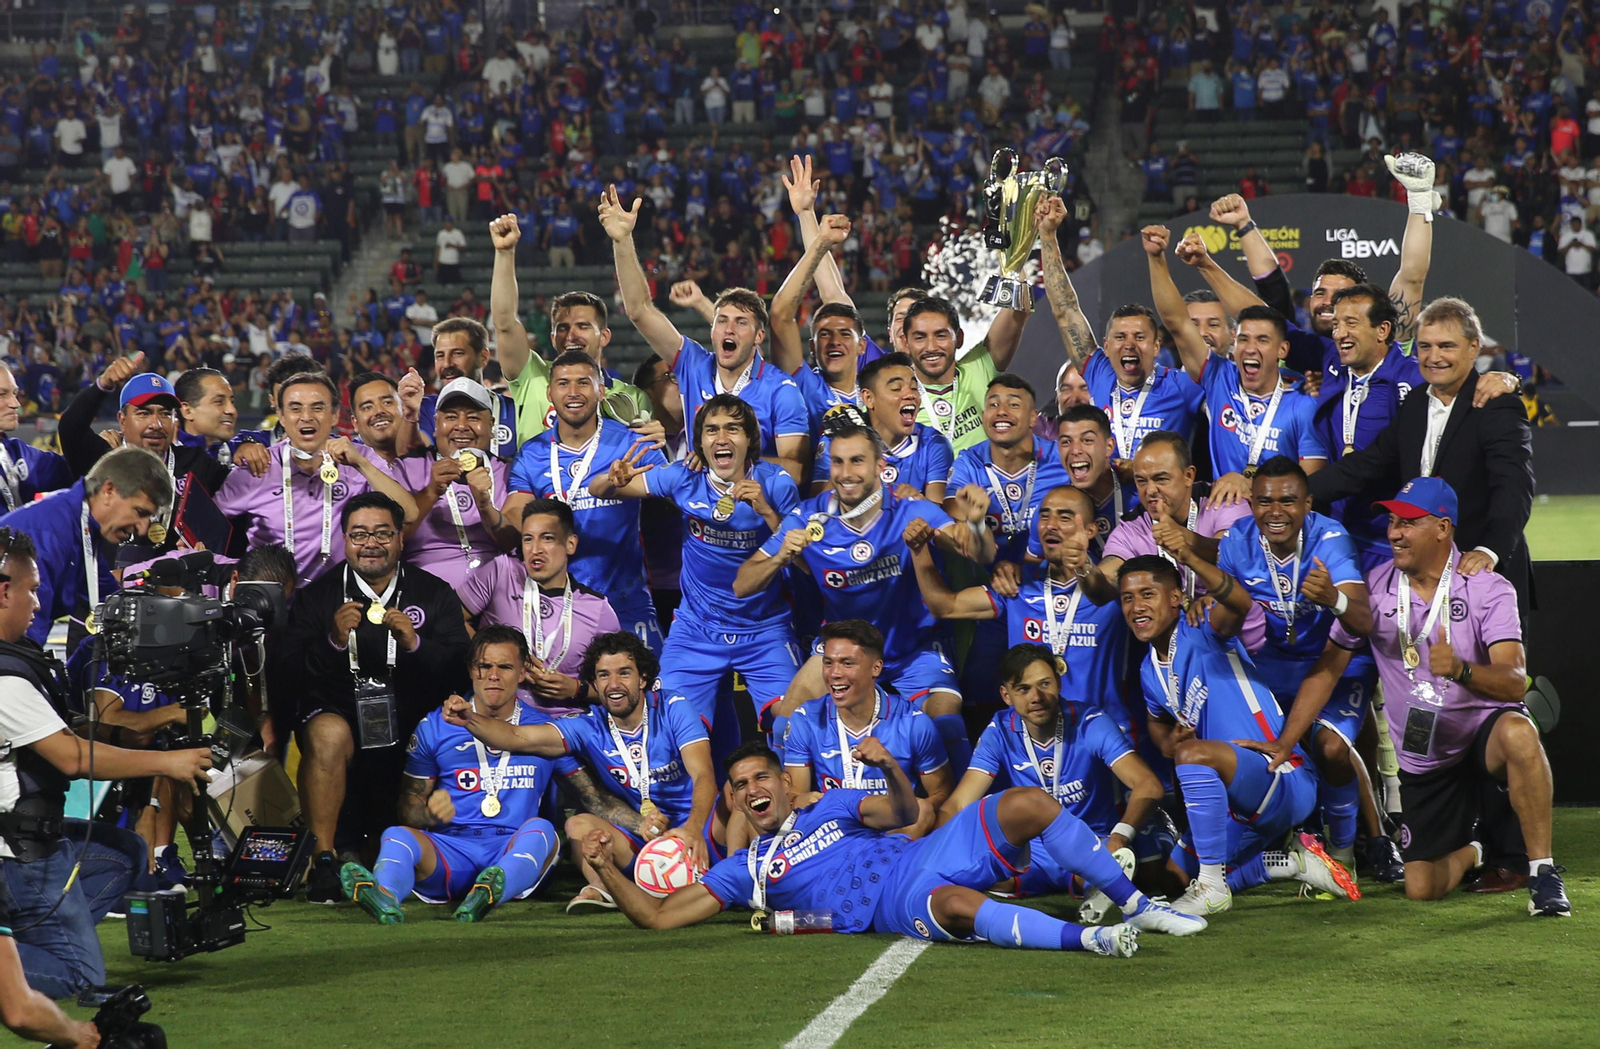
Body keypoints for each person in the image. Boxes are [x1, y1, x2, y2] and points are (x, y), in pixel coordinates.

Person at [1265, 478, 1568, 916]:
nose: (1393, 533)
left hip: (1482, 732)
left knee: (1520, 731)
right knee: (1420, 888)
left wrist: (1462, 670)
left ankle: (1543, 875)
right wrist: (1285, 742)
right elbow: (1328, 667)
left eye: (1407, 522)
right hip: (1426, 754)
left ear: (1443, 529)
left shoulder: (1488, 587)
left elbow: (1514, 682)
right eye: (1391, 522)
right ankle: (1478, 849)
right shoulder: (1375, 588)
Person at [573, 738, 1205, 948]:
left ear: (787, 786)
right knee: (955, 905)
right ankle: (1090, 940)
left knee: (1028, 803)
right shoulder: (744, 870)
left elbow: (908, 811)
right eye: (739, 786)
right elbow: (658, 917)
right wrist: (609, 871)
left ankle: (1137, 905)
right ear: (734, 801)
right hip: (892, 905)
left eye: (761, 777)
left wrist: (891, 770)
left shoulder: (836, 802)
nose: (750, 789)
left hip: (919, 851)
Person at [0, 527, 212, 999]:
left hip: (27, 836)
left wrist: (124, 735)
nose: (37, 604)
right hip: (18, 849)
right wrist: (170, 763)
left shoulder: (14, 662)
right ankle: (28, 955)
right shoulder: (5, 678)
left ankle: (31, 938)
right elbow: (72, 757)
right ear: (3, 591)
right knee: (81, 979)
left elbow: (68, 729)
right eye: (32, 591)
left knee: (121, 855)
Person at [1118, 554, 1356, 916]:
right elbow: (1157, 724)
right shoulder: (1149, 670)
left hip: (1280, 773)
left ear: (1175, 597)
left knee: (1193, 756)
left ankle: (1213, 888)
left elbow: (1240, 602)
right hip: (1238, 799)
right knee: (1174, 879)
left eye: (1147, 594)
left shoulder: (1201, 626)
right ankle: (1291, 864)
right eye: (1127, 598)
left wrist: (1187, 556)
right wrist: (1169, 742)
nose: (1137, 606)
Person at [741, 422, 982, 772]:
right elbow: (742, 583)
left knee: (947, 725)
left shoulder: (910, 509)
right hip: (841, 650)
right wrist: (780, 556)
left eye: (857, 461)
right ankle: (793, 817)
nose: (845, 473)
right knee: (785, 725)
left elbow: (974, 550)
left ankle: (956, 819)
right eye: (837, 462)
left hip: (913, 649)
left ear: (880, 468)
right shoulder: (809, 517)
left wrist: (973, 524)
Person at [1212, 455, 1402, 878]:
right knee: (1246, 744)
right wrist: (1223, 599)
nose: (1275, 512)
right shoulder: (1237, 541)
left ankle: (1347, 852)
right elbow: (1222, 624)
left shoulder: (1330, 537)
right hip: (1273, 664)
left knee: (1332, 748)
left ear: (1308, 504)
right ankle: (1277, 833)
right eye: (1263, 501)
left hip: (1337, 660)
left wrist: (1333, 598)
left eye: (1288, 501)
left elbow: (1364, 621)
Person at [282, 492, 471, 903]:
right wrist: (333, 641)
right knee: (327, 733)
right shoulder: (319, 596)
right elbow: (289, 669)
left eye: (383, 533)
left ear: (401, 539)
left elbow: (461, 667)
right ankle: (325, 861)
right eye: (360, 534)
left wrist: (416, 643)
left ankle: (450, 853)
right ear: (345, 540)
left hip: (412, 716)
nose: (371, 543)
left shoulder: (433, 591)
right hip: (342, 712)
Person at [443, 631, 719, 913]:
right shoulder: (587, 726)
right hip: (647, 832)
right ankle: (602, 889)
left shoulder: (673, 708)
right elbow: (515, 736)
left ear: (643, 678)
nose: (614, 685)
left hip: (700, 824)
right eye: (603, 675)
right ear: (594, 683)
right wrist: (469, 719)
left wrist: (694, 828)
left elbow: (703, 775)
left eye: (624, 673)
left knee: (732, 806)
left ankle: (742, 881)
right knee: (579, 825)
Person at [590, 393, 799, 756]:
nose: (721, 438)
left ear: (749, 439)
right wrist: (613, 480)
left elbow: (803, 559)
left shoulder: (777, 484)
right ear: (699, 442)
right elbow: (598, 489)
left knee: (792, 726)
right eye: (712, 430)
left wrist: (767, 513)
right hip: (697, 628)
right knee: (666, 725)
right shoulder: (684, 477)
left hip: (763, 628)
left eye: (733, 429)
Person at [1308, 298, 1535, 619]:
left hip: (1481, 572)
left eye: (1446, 346)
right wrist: (1299, 494)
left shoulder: (1497, 405)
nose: (1434, 357)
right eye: (1425, 347)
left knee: (1495, 669)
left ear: (1473, 348)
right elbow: (1365, 465)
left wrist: (1490, 550)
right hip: (1424, 576)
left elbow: (1515, 487)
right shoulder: (1415, 403)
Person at [337, 627, 563, 924]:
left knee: (543, 831)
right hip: (451, 851)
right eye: (484, 666)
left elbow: (588, 795)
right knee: (396, 835)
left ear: (522, 672)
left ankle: (493, 888)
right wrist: (429, 816)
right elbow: (408, 806)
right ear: (471, 670)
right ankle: (384, 894)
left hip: (511, 846)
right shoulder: (435, 727)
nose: (493, 675)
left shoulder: (545, 730)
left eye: (505, 666)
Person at [600, 185, 809, 481]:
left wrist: (725, 459)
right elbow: (640, 310)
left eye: (741, 322)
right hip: (697, 521)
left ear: (759, 336)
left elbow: (796, 470)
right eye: (722, 320)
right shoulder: (693, 364)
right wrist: (622, 240)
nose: (729, 328)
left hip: (757, 518)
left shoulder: (781, 389)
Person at [941, 643, 1166, 915]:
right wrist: (936, 855)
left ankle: (1120, 867)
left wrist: (1119, 837)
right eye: (1023, 689)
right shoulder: (999, 730)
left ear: (1058, 683)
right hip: (1031, 852)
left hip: (1090, 841)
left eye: (1044, 684)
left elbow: (1148, 785)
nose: (1036, 696)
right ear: (1006, 695)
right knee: (973, 875)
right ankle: (1104, 881)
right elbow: (957, 805)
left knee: (1135, 870)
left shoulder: (1089, 722)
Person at [910, 485, 1130, 725]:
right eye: (1045, 515)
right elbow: (944, 606)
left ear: (1090, 530)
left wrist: (1082, 566)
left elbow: (1103, 589)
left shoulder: (1113, 586)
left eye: (1064, 517)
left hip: (1102, 729)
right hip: (1031, 735)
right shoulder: (1017, 584)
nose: (1051, 524)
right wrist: (919, 551)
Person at [1143, 226, 1325, 495]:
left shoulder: (1304, 403)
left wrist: (1250, 485)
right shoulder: (1219, 379)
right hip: (1224, 516)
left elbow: (1311, 488)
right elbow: (1177, 323)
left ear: (1282, 350)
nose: (1250, 348)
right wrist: (1156, 258)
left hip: (1278, 518)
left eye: (1262, 340)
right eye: (1244, 339)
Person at [505, 352, 667, 652]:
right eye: (563, 383)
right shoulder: (532, 453)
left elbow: (673, 492)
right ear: (549, 393)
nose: (574, 392)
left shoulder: (633, 443)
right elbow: (515, 511)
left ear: (601, 390)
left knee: (649, 691)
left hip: (625, 603)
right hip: (555, 606)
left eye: (584, 383)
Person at [215, 374, 420, 590]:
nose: (306, 417)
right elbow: (203, 529)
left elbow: (409, 513)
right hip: (273, 600)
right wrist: (238, 570)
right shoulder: (258, 467)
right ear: (282, 417)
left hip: (337, 599)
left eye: (317, 408)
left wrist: (361, 464)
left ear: (334, 416)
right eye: (296, 409)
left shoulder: (359, 458)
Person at [1036, 199, 1202, 459]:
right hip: (1105, 498)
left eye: (1140, 337)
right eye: (1120, 337)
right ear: (1106, 344)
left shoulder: (1181, 385)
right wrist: (1047, 235)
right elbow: (1065, 310)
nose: (1129, 344)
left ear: (1157, 346)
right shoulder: (1100, 373)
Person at [487, 216, 662, 446]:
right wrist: (505, 253)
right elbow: (505, 323)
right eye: (562, 328)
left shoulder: (632, 398)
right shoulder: (533, 376)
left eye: (583, 326)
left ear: (605, 336)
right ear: (552, 338)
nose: (571, 336)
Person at [783, 621, 953, 834]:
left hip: (892, 829)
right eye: (828, 663)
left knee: (922, 810)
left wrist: (909, 813)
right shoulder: (805, 720)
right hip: (833, 829)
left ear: (876, 668)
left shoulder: (913, 723)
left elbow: (940, 793)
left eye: (847, 663)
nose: (834, 673)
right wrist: (800, 799)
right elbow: (793, 794)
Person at [460, 498, 618, 713]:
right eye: (528, 539)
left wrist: (577, 689)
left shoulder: (597, 608)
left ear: (570, 544)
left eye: (547, 538)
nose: (535, 549)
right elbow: (450, 618)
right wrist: (494, 656)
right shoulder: (503, 571)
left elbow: (618, 687)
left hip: (564, 724)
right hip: (500, 716)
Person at [0, 447, 170, 646]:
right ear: (109, 491)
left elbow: (110, 600)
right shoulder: (50, 532)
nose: (143, 529)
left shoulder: (80, 524)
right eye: (140, 512)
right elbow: (23, 639)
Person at [1073, 432, 1249, 608]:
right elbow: (1103, 590)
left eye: (1161, 479)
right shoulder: (1131, 529)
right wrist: (1084, 567)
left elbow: (1238, 560)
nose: (1150, 490)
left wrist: (1185, 537)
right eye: (1141, 481)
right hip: (1174, 631)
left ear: (1188, 476)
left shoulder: (1223, 501)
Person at [389, 377, 515, 588]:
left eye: (473, 417)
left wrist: (485, 506)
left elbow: (514, 544)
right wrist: (430, 493)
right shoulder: (408, 468)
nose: (462, 426)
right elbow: (393, 539)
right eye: (451, 417)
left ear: (491, 426)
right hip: (426, 590)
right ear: (436, 425)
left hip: (496, 587)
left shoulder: (507, 472)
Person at [766, 213, 867, 435]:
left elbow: (835, 294)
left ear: (862, 346)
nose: (834, 342)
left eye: (844, 334)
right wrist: (820, 243)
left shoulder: (880, 387)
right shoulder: (805, 386)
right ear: (812, 347)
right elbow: (780, 315)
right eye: (824, 335)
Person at [812, 355, 953, 501]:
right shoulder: (838, 438)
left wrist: (919, 502)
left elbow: (940, 514)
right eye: (896, 388)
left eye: (914, 388)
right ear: (868, 398)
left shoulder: (934, 443)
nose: (910, 394)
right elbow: (818, 506)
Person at [413, 316, 519, 460]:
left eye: (457, 353)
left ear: (483, 357)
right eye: (440, 356)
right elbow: (415, 460)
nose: (447, 364)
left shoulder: (513, 411)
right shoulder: (426, 407)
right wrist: (409, 415)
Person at [1054, 405, 1135, 558]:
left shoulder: (1139, 490)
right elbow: (1035, 563)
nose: (1075, 450)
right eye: (1066, 442)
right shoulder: (1055, 505)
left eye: (1087, 440)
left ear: (1109, 446)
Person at [0, 363, 71, 514]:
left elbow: (72, 469)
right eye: (2, 394)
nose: (15, 404)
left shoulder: (17, 453)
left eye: (14, 393)